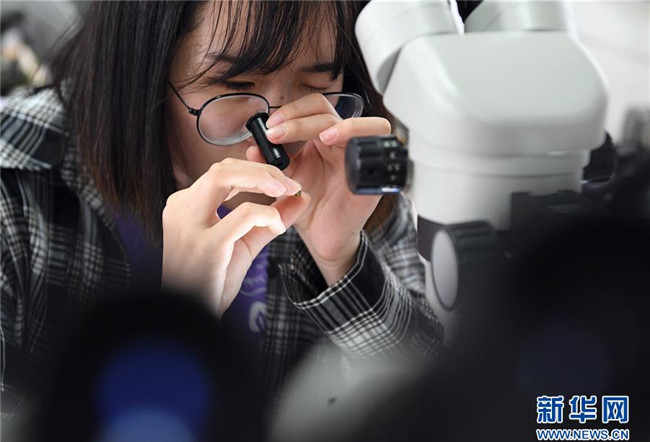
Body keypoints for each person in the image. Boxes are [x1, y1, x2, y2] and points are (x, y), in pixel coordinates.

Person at [0, 1, 444, 418]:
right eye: (235, 87)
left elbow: (441, 416)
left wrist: (341, 261)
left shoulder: (344, 162)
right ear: (143, 72)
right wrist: (178, 322)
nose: (278, 139)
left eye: (316, 84)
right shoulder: (15, 187)